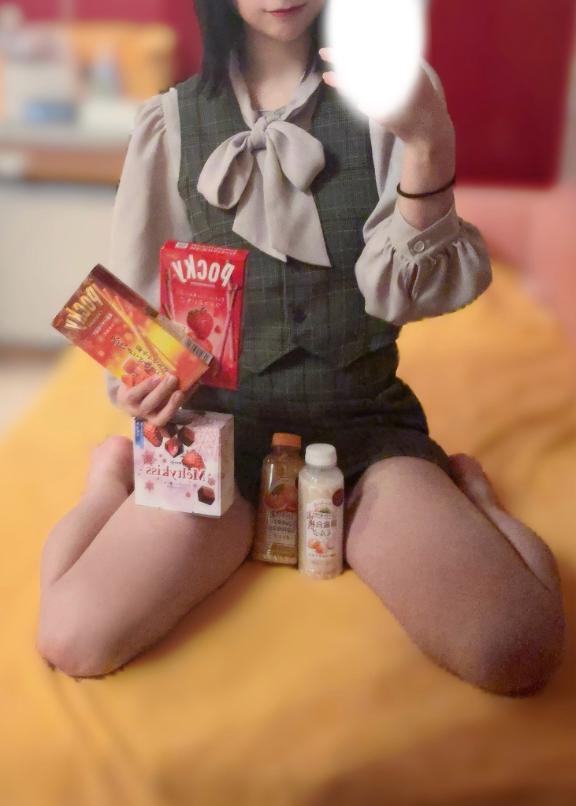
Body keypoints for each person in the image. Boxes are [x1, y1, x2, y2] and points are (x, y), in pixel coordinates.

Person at [37, 0, 565, 694]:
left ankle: (477, 497)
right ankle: (108, 480)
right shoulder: (170, 122)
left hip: (363, 433)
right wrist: (145, 386)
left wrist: (430, 140)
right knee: (72, 637)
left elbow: (405, 295)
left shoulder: (391, 101)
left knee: (517, 648)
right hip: (216, 437)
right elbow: (143, 309)